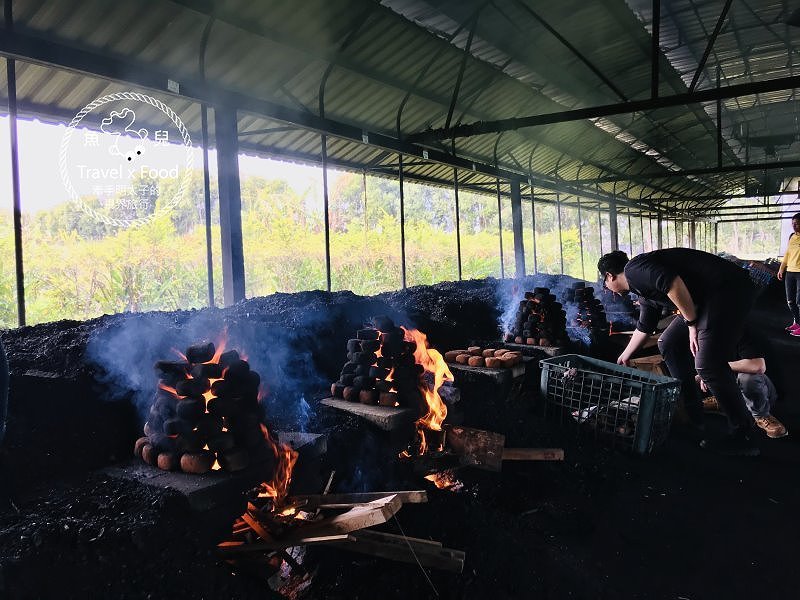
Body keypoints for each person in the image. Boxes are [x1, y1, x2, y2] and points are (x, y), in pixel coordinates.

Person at [598, 248, 760, 456]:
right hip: (708, 298)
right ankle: (694, 415)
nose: (609, 290)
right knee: (669, 343)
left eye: (605, 284)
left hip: (727, 290)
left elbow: (673, 283)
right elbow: (645, 326)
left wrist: (692, 323)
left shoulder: (634, 269)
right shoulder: (641, 289)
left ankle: (743, 434)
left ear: (610, 276)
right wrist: (625, 355)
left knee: (708, 364)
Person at [698, 327, 787, 439]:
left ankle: (761, 415)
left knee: (748, 378)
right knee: (702, 370)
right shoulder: (708, 333)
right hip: (735, 386)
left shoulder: (746, 332)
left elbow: (757, 366)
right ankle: (723, 400)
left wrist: (711, 368)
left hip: (764, 392)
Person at [777, 212, 800, 336]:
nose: (794, 226)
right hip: (790, 272)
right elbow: (787, 254)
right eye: (793, 224)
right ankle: (797, 322)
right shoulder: (792, 237)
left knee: (799, 301)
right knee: (790, 301)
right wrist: (781, 269)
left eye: (797, 224)